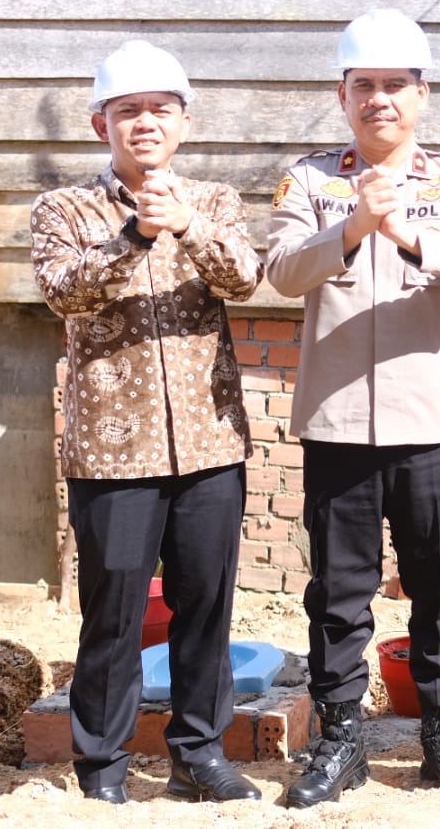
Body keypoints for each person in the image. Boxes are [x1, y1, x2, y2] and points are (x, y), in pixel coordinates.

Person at [265, 9, 440, 807]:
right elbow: (282, 271)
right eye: (363, 85)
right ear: (343, 95)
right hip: (337, 421)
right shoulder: (309, 179)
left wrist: (403, 233)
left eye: (395, 85)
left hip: (429, 420)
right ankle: (340, 738)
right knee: (337, 588)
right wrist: (353, 223)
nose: (380, 99)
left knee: (438, 581)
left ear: (422, 93)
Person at [30, 41, 264, 804]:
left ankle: (199, 754)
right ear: (102, 124)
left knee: (205, 606)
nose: (144, 123)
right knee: (114, 617)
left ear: (183, 123)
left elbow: (244, 277)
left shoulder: (217, 201)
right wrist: (133, 236)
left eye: (159, 110)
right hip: (112, 452)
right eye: (127, 111)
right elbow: (63, 294)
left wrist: (187, 225)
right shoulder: (65, 209)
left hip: (207, 442)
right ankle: (103, 767)